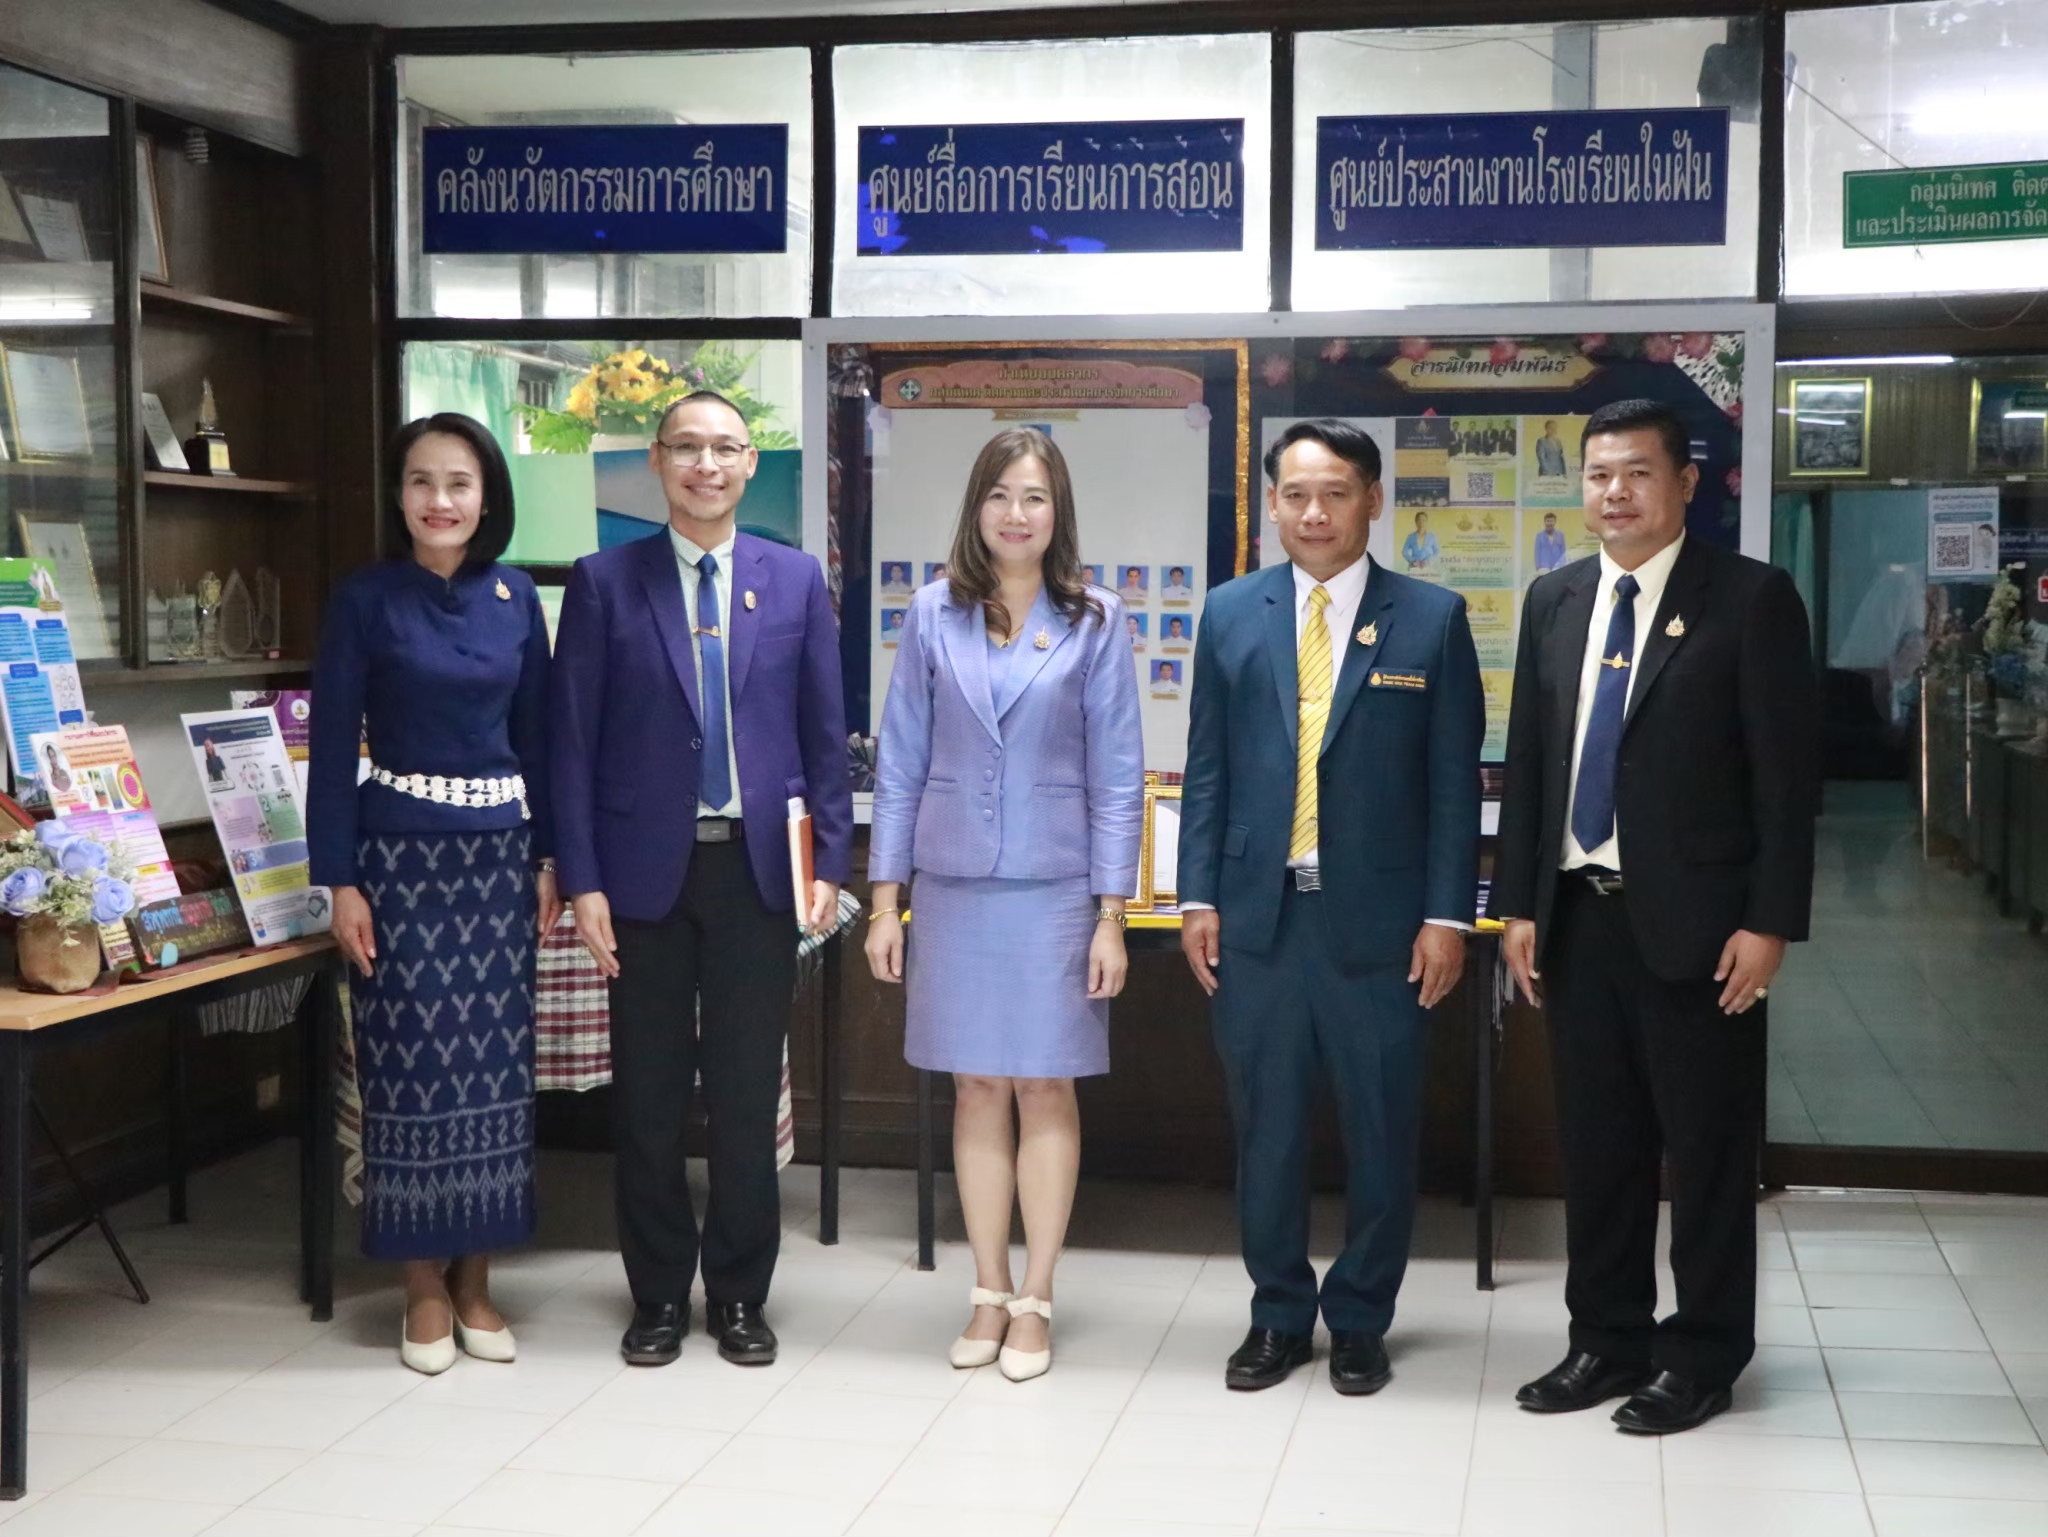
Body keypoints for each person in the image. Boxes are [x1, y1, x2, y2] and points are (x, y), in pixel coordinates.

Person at [1488, 398, 1819, 1435]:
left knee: (1707, 1151)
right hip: (1578, 919)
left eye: (1636, 472)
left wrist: (1769, 921)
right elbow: (1532, 760)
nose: (1614, 492)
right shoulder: (1553, 598)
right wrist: (1516, 903)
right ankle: (1605, 1337)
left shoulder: (1750, 599)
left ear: (1684, 483)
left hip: (1703, 928)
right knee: (1598, 1147)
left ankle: (1704, 1353)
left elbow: (1786, 780)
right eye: (1597, 474)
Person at [1179, 418, 1482, 1396]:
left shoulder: (1431, 618)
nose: (1314, 512)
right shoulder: (1230, 612)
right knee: (1264, 1129)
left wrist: (1447, 917)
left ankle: (1358, 1318)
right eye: (1296, 494)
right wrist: (1196, 895)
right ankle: (1276, 1312)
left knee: (1381, 1130)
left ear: (1372, 500)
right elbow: (1208, 767)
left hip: (1383, 929)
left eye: (1336, 492)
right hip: (1258, 920)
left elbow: (1452, 785)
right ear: (1271, 504)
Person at [551, 389, 853, 1370]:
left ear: (750, 462)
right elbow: (570, 745)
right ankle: (655, 1296)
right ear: (657, 459)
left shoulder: (794, 579)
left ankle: (737, 1293)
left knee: (741, 1096)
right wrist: (582, 878)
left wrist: (828, 866)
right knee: (645, 1100)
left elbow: (823, 734)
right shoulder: (604, 582)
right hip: (640, 878)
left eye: (726, 448)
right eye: (687, 447)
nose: (707, 465)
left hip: (756, 875)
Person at [866, 428, 1142, 1384]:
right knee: (977, 1085)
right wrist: (885, 902)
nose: (1015, 514)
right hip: (952, 887)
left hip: (1056, 890)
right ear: (975, 507)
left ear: (1057, 512)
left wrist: (1112, 914)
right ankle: (987, 1289)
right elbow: (901, 762)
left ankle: (1038, 1295)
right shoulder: (931, 610)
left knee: (1044, 1085)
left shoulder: (1096, 619)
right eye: (999, 495)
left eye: (1034, 497)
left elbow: (1117, 777)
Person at [309, 411, 559, 1375]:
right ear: (399, 494)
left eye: (459, 482)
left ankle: (476, 1281)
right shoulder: (365, 599)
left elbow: (538, 738)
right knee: (408, 1071)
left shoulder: (516, 596)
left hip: (498, 867)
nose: (439, 499)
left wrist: (549, 859)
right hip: (399, 869)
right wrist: (340, 878)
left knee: (495, 1076)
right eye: (421, 481)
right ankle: (421, 1285)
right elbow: (334, 747)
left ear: (487, 496)